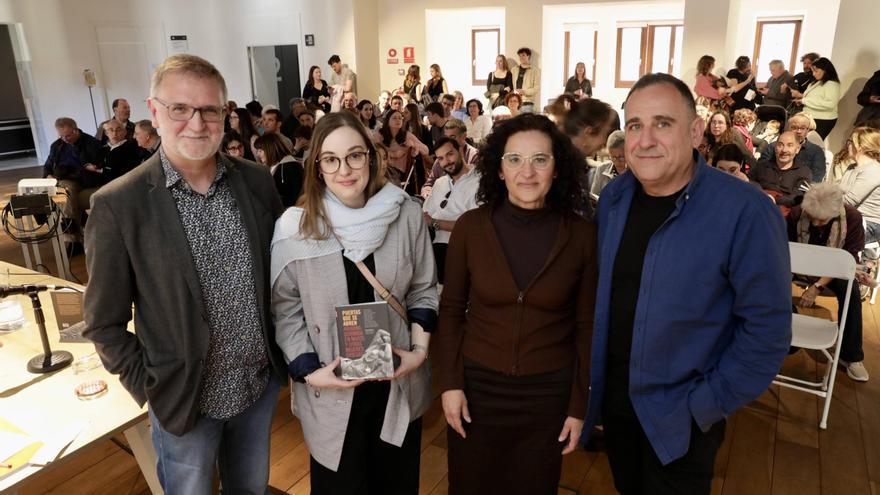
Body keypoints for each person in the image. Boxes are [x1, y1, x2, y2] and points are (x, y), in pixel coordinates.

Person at [82, 53, 287, 494]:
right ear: (154, 111)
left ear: (225, 114)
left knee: (250, 489)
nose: (197, 123)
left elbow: (281, 277)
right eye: (180, 108)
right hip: (183, 400)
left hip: (256, 388)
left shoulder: (256, 182)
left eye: (209, 109)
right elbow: (103, 323)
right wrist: (152, 387)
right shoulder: (119, 204)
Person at [588, 73, 791, 494]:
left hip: (682, 414)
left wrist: (706, 405)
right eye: (635, 125)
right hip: (616, 404)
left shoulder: (746, 211)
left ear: (696, 131)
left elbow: (768, 330)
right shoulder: (614, 199)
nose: (645, 140)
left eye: (663, 123)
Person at [271, 110, 437, 493]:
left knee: (395, 484)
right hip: (331, 388)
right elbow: (286, 309)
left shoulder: (405, 213)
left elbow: (424, 288)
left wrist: (419, 352)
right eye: (330, 159)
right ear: (317, 167)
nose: (344, 169)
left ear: (371, 157)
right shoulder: (296, 228)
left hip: (396, 379)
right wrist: (311, 371)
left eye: (354, 155)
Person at [437, 113, 596, 495]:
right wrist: (450, 384)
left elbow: (587, 324)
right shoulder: (470, 228)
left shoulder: (582, 236)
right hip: (477, 389)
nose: (528, 171)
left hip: (548, 395)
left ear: (557, 168)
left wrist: (579, 405)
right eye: (515, 159)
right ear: (499, 169)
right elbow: (452, 310)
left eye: (540, 159)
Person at [787, 182, 870, 382]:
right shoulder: (797, 214)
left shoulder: (851, 218)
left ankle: (851, 356)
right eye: (812, 217)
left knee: (850, 290)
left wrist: (817, 286)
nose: (815, 224)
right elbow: (785, 250)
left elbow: (847, 259)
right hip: (799, 264)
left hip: (834, 270)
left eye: (821, 220)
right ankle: (779, 333)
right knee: (773, 283)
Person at [422, 136, 480, 283]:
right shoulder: (440, 182)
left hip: (460, 250)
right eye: (440, 158)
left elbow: (475, 226)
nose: (446, 162)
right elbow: (425, 215)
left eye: (449, 154)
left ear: (460, 151)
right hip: (432, 249)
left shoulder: (479, 182)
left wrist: (435, 223)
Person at [42, 117, 103, 239]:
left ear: (75, 130)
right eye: (61, 136)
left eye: (68, 136)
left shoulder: (91, 143)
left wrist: (69, 171)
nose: (65, 139)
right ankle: (78, 224)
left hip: (84, 180)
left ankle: (70, 236)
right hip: (62, 179)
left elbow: (94, 168)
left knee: (65, 192)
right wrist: (48, 174)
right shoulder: (57, 145)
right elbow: (48, 165)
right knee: (44, 195)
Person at [750, 131, 812, 213]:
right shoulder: (761, 166)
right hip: (758, 205)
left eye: (790, 145)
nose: (784, 150)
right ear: (775, 147)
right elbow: (749, 182)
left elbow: (798, 197)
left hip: (784, 215)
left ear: (797, 149)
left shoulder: (804, 172)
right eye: (780, 145)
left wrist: (774, 199)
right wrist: (764, 195)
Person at [838, 126, 880, 243]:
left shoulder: (873, 170)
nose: (848, 145)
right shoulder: (852, 168)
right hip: (848, 218)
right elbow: (839, 192)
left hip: (869, 223)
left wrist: (824, 200)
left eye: (850, 142)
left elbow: (850, 200)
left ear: (860, 147)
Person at [760, 112, 826, 181]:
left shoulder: (816, 151)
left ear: (807, 131)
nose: (799, 131)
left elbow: (817, 178)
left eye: (802, 128)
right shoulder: (772, 147)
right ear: (787, 129)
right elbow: (761, 168)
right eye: (794, 127)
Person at [376, 108, 430, 193]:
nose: (398, 120)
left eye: (400, 118)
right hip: (384, 171)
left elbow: (426, 150)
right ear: (387, 121)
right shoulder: (380, 135)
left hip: (401, 174)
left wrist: (413, 144)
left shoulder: (406, 135)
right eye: (394, 118)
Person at [791, 57, 841, 140]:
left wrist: (804, 101)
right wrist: (801, 100)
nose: (813, 74)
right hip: (810, 117)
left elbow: (829, 104)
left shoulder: (832, 84)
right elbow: (811, 97)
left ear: (825, 70)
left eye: (816, 71)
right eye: (812, 71)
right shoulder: (816, 82)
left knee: (813, 144)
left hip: (823, 120)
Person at [254, 132, 303, 207]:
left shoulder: (291, 167)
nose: (258, 154)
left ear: (269, 149)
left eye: (260, 151)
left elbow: (294, 197)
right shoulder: (278, 166)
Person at [97, 118, 142, 184]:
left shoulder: (131, 147)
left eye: (118, 130)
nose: (115, 133)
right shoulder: (102, 148)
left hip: (122, 183)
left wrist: (102, 170)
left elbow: (125, 173)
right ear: (106, 133)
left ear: (125, 132)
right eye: (111, 130)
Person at [590, 130, 627, 199]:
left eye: (621, 157)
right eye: (613, 157)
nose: (617, 162)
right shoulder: (602, 170)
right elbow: (594, 196)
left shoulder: (636, 172)